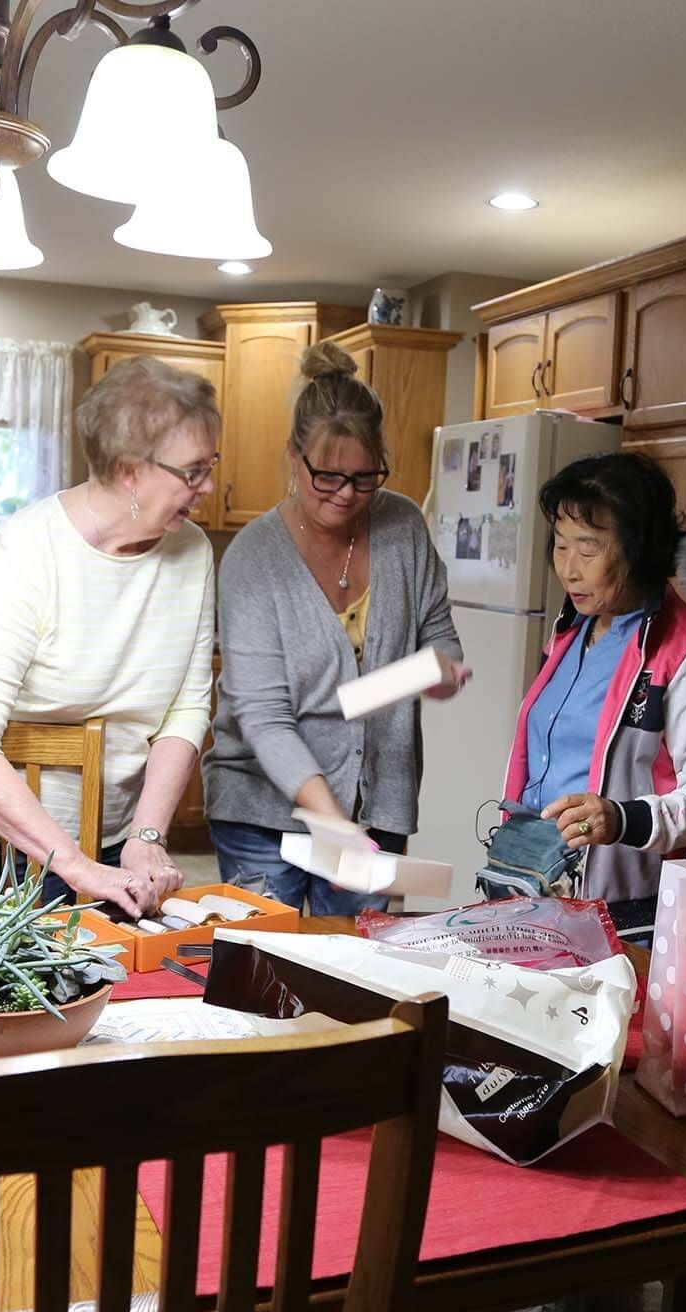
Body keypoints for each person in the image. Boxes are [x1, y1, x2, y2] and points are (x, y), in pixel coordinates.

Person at [0, 357, 217, 918]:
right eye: (192, 471)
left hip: (120, 836)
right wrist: (78, 867)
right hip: (3, 845)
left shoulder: (192, 551)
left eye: (211, 465)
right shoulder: (30, 547)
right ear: (130, 469)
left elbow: (185, 707)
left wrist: (148, 836)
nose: (207, 487)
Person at [203, 341, 468, 915]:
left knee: (353, 978)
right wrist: (327, 815)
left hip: (378, 804)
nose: (346, 495)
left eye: (364, 477)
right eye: (327, 476)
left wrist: (440, 666)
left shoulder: (403, 528)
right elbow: (265, 717)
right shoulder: (253, 557)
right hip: (262, 810)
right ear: (294, 456)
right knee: (261, 969)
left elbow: (438, 631)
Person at [501, 452, 686, 932]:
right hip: (531, 887)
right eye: (560, 545)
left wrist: (623, 818)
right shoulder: (571, 632)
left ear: (637, 548)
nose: (568, 569)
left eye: (587, 549)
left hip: (627, 912)